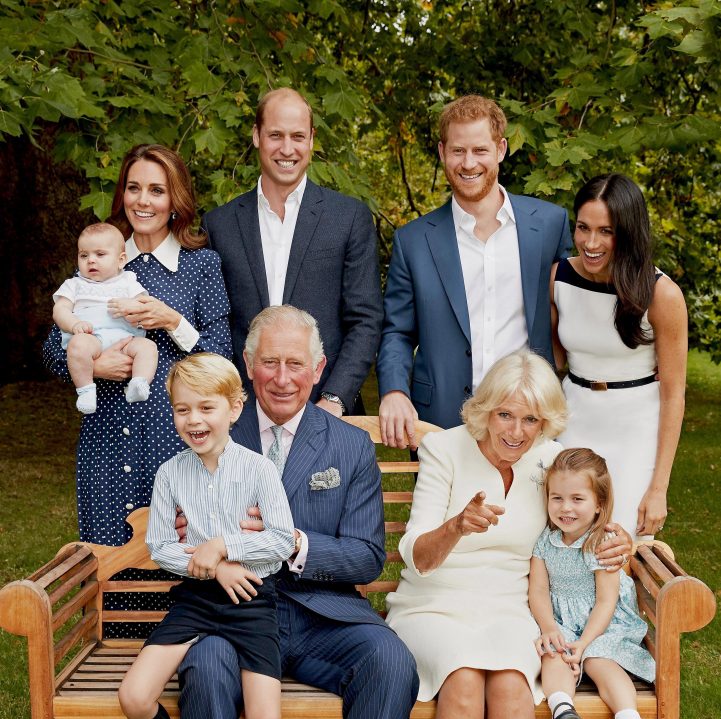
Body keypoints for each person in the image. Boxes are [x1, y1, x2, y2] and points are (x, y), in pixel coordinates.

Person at [176, 306, 419, 719]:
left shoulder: (348, 445)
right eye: (268, 363)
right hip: (232, 612)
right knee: (202, 666)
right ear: (248, 368)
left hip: (319, 613)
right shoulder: (215, 429)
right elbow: (180, 518)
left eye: (295, 364)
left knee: (389, 659)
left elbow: (367, 556)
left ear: (318, 370)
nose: (282, 378)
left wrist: (293, 544)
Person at [384, 351, 630, 719]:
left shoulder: (548, 463)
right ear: (484, 411)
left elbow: (592, 509)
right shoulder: (444, 449)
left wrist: (618, 540)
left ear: (546, 424)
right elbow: (414, 555)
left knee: (515, 687)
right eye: (505, 416)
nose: (516, 432)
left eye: (531, 420)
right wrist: (457, 525)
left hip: (513, 606)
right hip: (436, 600)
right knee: (465, 679)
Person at [118, 355, 295, 719]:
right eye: (181, 410)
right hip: (197, 599)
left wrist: (223, 545)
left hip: (251, 601)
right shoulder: (170, 473)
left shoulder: (260, 470)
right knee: (134, 696)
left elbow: (281, 541)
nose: (194, 420)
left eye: (206, 408)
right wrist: (213, 566)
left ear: (235, 408)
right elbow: (159, 547)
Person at [43, 144, 233, 544]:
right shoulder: (99, 259)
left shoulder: (201, 265)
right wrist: (93, 368)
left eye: (157, 190)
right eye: (133, 188)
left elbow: (221, 354)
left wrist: (173, 321)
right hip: (106, 435)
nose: (143, 201)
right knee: (109, 560)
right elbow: (50, 349)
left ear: (175, 200)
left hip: (175, 436)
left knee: (180, 559)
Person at [377, 94, 571, 448]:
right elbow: (398, 333)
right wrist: (393, 390)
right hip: (440, 421)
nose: (468, 163)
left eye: (480, 150)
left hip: (530, 420)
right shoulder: (414, 240)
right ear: (441, 152)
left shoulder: (548, 225)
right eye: (458, 151)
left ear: (500, 149)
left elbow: (573, 310)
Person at [201, 87, 383, 416]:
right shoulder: (219, 225)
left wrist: (335, 398)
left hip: (326, 409)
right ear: (257, 136)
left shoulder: (348, 218)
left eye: (298, 136)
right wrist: (232, 397)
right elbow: (217, 324)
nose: (287, 149)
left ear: (312, 139)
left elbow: (365, 320)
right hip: (243, 414)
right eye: (276, 135)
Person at [551, 173, 688, 538]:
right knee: (565, 540)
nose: (590, 243)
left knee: (620, 545)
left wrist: (658, 488)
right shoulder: (558, 278)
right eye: (582, 228)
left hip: (635, 431)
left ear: (627, 232)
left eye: (606, 231)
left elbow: (674, 395)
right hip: (573, 422)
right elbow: (553, 362)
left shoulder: (662, 295)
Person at [529, 448, 655, 719]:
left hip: (602, 625)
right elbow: (539, 592)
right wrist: (548, 628)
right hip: (562, 622)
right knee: (553, 654)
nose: (565, 508)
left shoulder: (602, 542)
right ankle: (564, 711)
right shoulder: (545, 541)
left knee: (598, 661)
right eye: (557, 498)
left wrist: (583, 644)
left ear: (599, 503)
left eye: (577, 499)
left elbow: (605, 602)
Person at [53, 222, 157, 414]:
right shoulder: (74, 284)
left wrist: (132, 306)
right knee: (78, 346)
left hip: (126, 339)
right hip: (91, 338)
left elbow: (145, 305)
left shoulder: (128, 281)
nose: (91, 260)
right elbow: (60, 310)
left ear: (120, 260)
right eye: (84, 255)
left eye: (100, 254)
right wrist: (74, 323)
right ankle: (85, 390)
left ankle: (139, 382)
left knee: (148, 347)